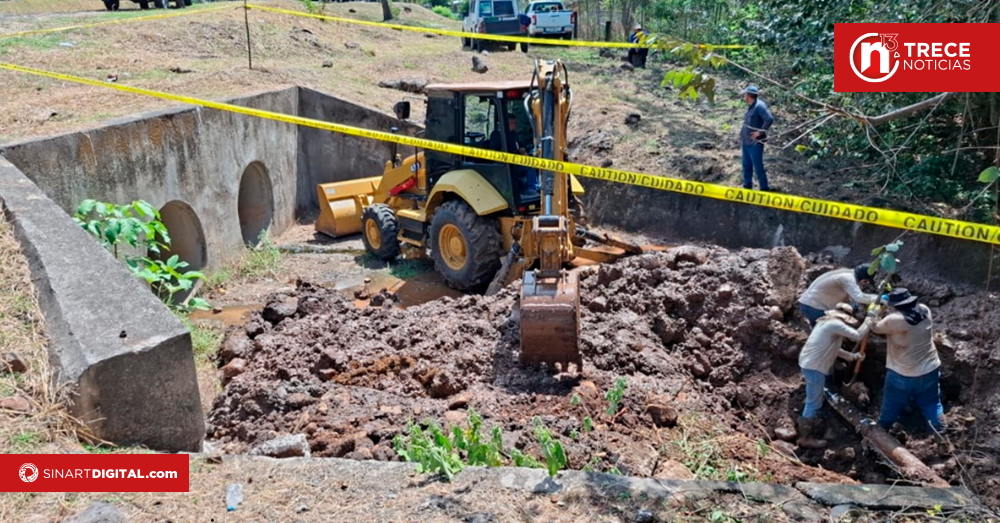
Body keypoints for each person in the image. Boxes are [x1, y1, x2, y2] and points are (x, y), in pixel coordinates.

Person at [796, 304, 873, 448]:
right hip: (815, 367)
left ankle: (808, 417)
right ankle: (805, 438)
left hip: (809, 363)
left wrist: (852, 356)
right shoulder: (834, 324)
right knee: (813, 402)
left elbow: (833, 348)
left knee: (813, 397)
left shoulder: (824, 322)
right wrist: (870, 318)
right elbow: (857, 336)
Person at [872, 288, 944, 433]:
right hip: (930, 368)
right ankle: (941, 435)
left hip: (902, 373)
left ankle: (881, 432)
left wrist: (875, 310)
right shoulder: (924, 310)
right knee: (931, 403)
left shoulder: (895, 320)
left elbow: (875, 327)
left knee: (891, 404)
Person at [798, 264, 878, 328]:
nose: (865, 284)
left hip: (809, 304)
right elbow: (859, 297)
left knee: (819, 334)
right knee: (831, 331)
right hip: (814, 307)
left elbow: (846, 297)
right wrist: (879, 298)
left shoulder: (848, 274)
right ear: (863, 279)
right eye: (865, 281)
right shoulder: (848, 278)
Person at [738, 85, 774, 191]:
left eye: (745, 94)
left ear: (749, 95)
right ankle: (747, 186)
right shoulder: (751, 106)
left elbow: (769, 119)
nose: (744, 96)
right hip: (746, 142)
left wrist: (760, 132)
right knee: (746, 165)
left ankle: (764, 189)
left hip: (755, 143)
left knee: (758, 167)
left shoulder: (760, 106)